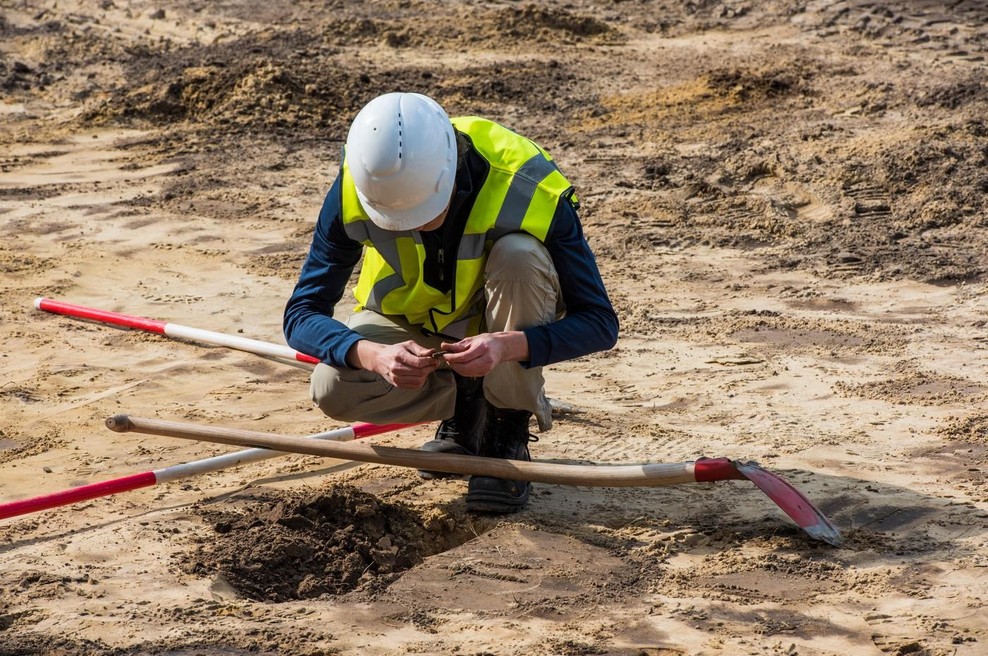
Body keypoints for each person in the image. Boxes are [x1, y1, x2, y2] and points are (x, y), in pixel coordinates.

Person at [284, 92, 618, 513]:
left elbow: (599, 323)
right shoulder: (358, 185)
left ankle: (504, 431)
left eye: (423, 212)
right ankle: (467, 404)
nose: (415, 226)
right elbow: (301, 313)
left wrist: (507, 347)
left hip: (503, 324)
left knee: (519, 256)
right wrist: (372, 355)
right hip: (410, 324)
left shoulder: (528, 186)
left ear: (452, 173)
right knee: (332, 387)